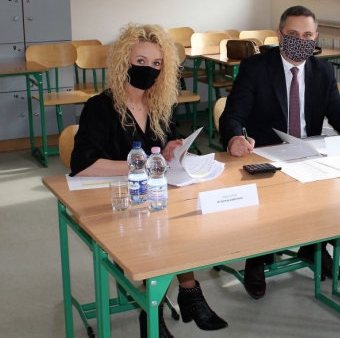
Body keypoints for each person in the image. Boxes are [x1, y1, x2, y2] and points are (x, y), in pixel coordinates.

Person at [71, 24, 227, 338]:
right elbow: (83, 166)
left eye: (156, 63)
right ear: (123, 62)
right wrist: (141, 166)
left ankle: (184, 295)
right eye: (140, 61)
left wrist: (170, 151)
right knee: (166, 233)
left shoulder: (159, 106)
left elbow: (162, 153)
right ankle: (161, 307)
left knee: (184, 223)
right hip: (114, 199)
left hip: (153, 196)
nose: (149, 70)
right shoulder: (100, 107)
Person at [219, 5, 340, 299]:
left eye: (307, 35)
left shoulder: (323, 70)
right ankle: (257, 259)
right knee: (265, 205)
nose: (300, 40)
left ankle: (316, 247)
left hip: (308, 152)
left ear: (315, 37)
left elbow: (338, 111)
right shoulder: (256, 67)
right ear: (279, 35)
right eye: (292, 34)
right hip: (266, 153)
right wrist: (233, 138)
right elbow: (232, 115)